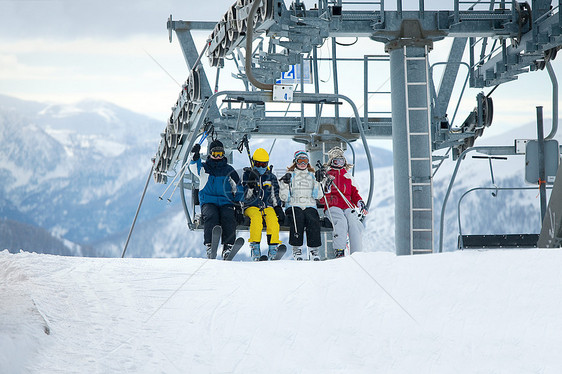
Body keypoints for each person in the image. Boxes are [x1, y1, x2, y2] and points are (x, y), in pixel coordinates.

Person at [189, 139, 243, 259]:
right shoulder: (204, 168)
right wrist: (195, 157)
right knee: (211, 215)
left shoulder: (229, 170)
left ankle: (228, 247)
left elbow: (239, 186)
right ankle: (210, 245)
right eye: (215, 154)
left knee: (228, 216)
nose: (218, 157)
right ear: (210, 154)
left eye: (220, 154)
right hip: (208, 201)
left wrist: (238, 205)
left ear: (224, 154)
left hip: (226, 202)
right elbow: (193, 167)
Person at [320, 146, 368, 258]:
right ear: (332, 162)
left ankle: (357, 253)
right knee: (341, 221)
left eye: (341, 161)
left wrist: (360, 203)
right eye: (336, 161)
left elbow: (354, 193)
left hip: (347, 205)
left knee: (354, 223)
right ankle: (340, 250)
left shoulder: (347, 176)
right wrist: (327, 184)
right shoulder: (327, 175)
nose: (339, 164)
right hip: (333, 205)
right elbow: (322, 196)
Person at [279, 150, 323, 261]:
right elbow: (284, 198)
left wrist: (318, 182)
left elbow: (318, 196)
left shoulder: (312, 176)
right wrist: (285, 183)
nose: (302, 163)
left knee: (312, 218)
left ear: (308, 162)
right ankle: (296, 249)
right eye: (300, 160)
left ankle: (314, 250)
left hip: (309, 204)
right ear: (295, 162)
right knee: (297, 217)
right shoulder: (290, 175)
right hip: (293, 204)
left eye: (305, 160)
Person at [242, 148, 284, 261]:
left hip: (266, 206)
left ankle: (273, 248)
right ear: (253, 163)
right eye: (258, 164)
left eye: (263, 164)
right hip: (251, 206)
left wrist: (278, 207)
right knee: (256, 219)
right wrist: (250, 186)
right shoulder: (247, 175)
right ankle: (255, 249)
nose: (261, 167)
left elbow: (274, 195)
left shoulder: (271, 177)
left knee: (273, 220)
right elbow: (245, 198)